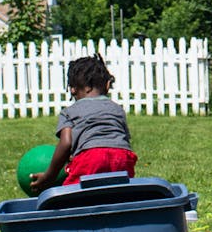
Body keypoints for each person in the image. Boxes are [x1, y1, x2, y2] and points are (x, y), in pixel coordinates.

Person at [29, 54, 137, 194]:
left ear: (72, 89)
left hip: (91, 157)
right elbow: (119, 138)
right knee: (119, 193)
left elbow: (66, 143)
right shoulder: (117, 108)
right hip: (122, 156)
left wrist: (49, 176)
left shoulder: (69, 112)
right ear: (107, 85)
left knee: (73, 195)